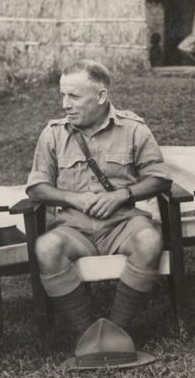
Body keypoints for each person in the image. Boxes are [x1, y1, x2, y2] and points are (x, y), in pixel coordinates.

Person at [26, 60, 174, 348]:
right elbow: (36, 187)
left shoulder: (134, 130)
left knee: (148, 241)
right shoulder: (53, 134)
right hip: (74, 228)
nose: (65, 104)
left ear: (102, 96)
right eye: (63, 95)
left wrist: (122, 195)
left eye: (74, 96)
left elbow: (159, 179)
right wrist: (72, 198)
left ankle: (118, 330)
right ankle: (87, 336)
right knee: (46, 247)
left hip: (123, 224)